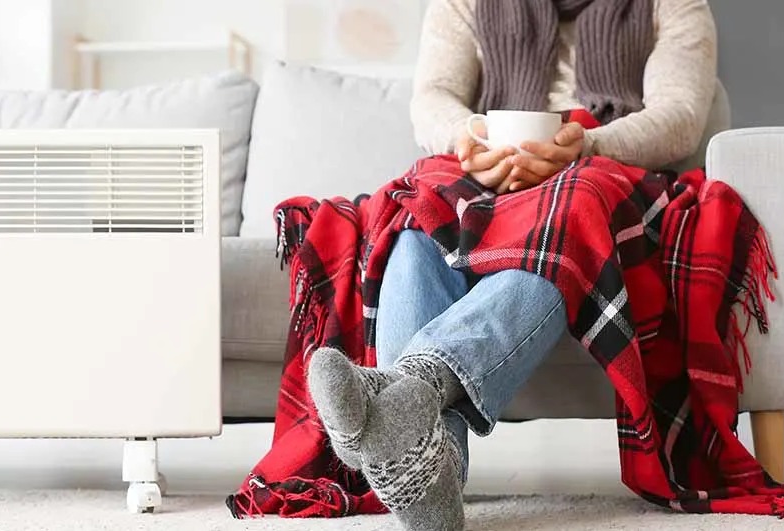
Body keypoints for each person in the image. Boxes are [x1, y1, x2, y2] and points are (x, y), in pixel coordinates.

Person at [306, 1, 717, 530]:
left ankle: (400, 395)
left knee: (571, 208)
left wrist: (586, 144)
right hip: (485, 169)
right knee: (414, 220)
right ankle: (434, 474)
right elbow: (433, 98)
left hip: (602, 168)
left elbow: (681, 115)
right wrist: (468, 140)